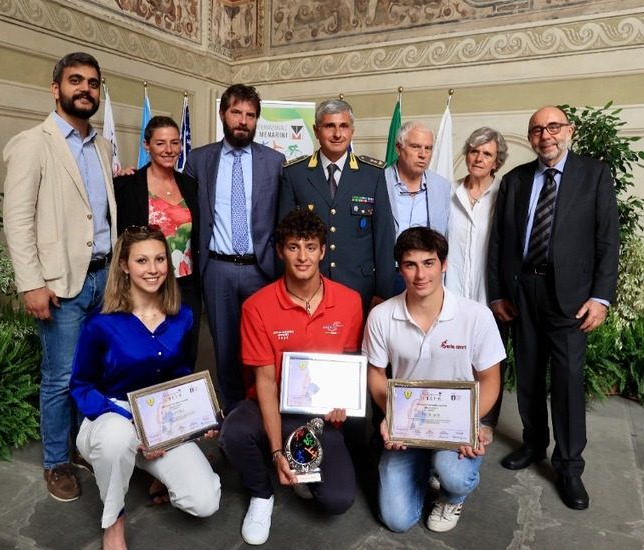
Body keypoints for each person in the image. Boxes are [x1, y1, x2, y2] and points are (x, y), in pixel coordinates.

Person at [487, 106, 619, 510]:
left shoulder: (594, 175)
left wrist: (600, 297)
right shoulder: (515, 180)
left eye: (554, 127)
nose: (546, 135)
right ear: (530, 138)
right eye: (537, 129)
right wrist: (497, 294)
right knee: (526, 374)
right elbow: (499, 242)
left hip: (572, 298)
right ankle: (533, 444)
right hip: (523, 290)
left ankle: (569, 466)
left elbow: (607, 240)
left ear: (569, 131)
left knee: (566, 381)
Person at [3, 52, 116, 502]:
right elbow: (17, 220)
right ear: (56, 89)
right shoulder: (34, 142)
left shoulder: (103, 146)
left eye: (92, 83)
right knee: (58, 378)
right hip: (60, 284)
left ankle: (85, 444)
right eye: (76, 81)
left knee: (95, 372)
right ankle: (56, 461)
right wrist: (31, 283)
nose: (85, 89)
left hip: (105, 279)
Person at [219, 209, 364, 545]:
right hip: (271, 403)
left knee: (338, 500)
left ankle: (302, 472)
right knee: (235, 432)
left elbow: (347, 370)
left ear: (323, 251)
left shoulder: (350, 302)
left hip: (317, 412)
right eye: (294, 247)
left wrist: (341, 406)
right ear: (281, 251)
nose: (302, 256)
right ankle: (261, 493)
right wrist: (275, 453)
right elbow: (266, 383)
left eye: (311, 247)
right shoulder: (257, 307)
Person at [70, 227, 220, 550]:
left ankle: (153, 472)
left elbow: (179, 377)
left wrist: (194, 422)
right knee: (118, 439)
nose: (153, 269)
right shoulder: (101, 323)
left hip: (159, 420)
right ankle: (114, 523)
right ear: (124, 265)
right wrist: (132, 425)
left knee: (205, 501)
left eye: (159, 259)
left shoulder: (183, 317)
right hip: (110, 417)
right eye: (142, 260)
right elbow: (81, 386)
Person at [364, 227, 504, 533]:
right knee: (396, 520)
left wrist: (471, 423)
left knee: (454, 475)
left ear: (443, 264)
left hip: (455, 425)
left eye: (429, 263)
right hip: (407, 425)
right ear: (399, 268)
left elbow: (491, 379)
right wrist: (390, 415)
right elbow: (375, 374)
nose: (420, 274)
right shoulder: (381, 316)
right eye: (410, 265)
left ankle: (452, 496)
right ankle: (425, 464)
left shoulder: (476, 316)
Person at [184, 84, 285, 411]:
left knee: (262, 349)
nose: (243, 121)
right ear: (222, 114)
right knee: (225, 350)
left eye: (250, 115)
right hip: (218, 270)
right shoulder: (200, 160)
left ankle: (261, 417)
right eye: (236, 112)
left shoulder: (275, 161)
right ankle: (233, 418)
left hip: (261, 269)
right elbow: (175, 202)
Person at [278, 98, 395, 313]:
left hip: (360, 288)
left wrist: (383, 291)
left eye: (344, 126)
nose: (337, 134)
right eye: (329, 126)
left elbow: (384, 238)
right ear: (316, 130)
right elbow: (283, 236)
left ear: (352, 131)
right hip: (308, 287)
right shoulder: (295, 173)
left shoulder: (373, 175)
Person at [114, 115, 202, 367]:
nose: (169, 150)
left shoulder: (190, 185)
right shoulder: (127, 186)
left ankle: (184, 405)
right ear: (147, 146)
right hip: (145, 286)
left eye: (175, 143)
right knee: (147, 355)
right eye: (161, 143)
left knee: (185, 354)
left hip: (186, 286)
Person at [446, 126, 509, 433]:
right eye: (474, 151)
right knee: (451, 363)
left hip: (490, 298)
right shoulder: (448, 193)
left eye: (487, 154)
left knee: (487, 364)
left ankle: (483, 425)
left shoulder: (506, 195)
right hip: (452, 295)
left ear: (496, 162)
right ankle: (447, 424)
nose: (479, 158)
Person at [384, 120, 451, 294]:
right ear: (399, 149)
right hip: (388, 275)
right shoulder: (378, 181)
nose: (423, 154)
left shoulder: (442, 186)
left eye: (428, 148)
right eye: (415, 147)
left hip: (425, 278)